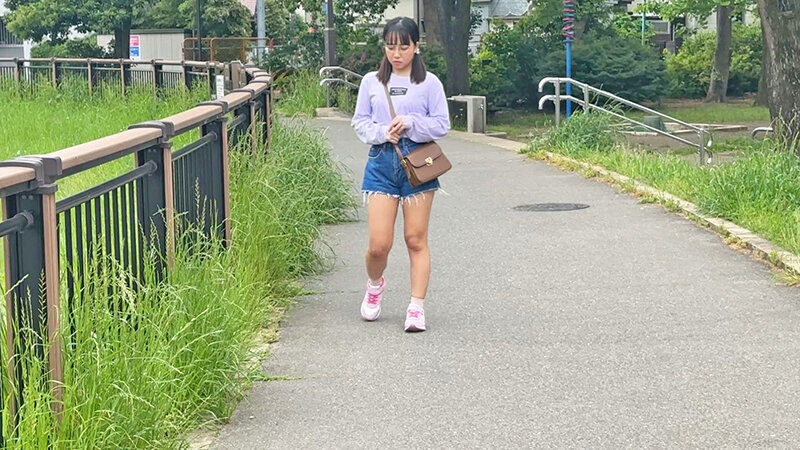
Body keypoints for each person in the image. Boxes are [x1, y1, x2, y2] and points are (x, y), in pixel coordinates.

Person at [351, 16, 450, 332]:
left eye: (403, 47)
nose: (396, 53)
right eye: (390, 46)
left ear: (416, 46)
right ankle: (375, 284)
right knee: (378, 245)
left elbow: (442, 124)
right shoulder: (371, 81)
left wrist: (410, 123)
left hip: (419, 163)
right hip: (381, 162)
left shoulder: (429, 83)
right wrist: (383, 132)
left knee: (415, 239)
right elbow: (359, 122)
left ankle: (416, 307)